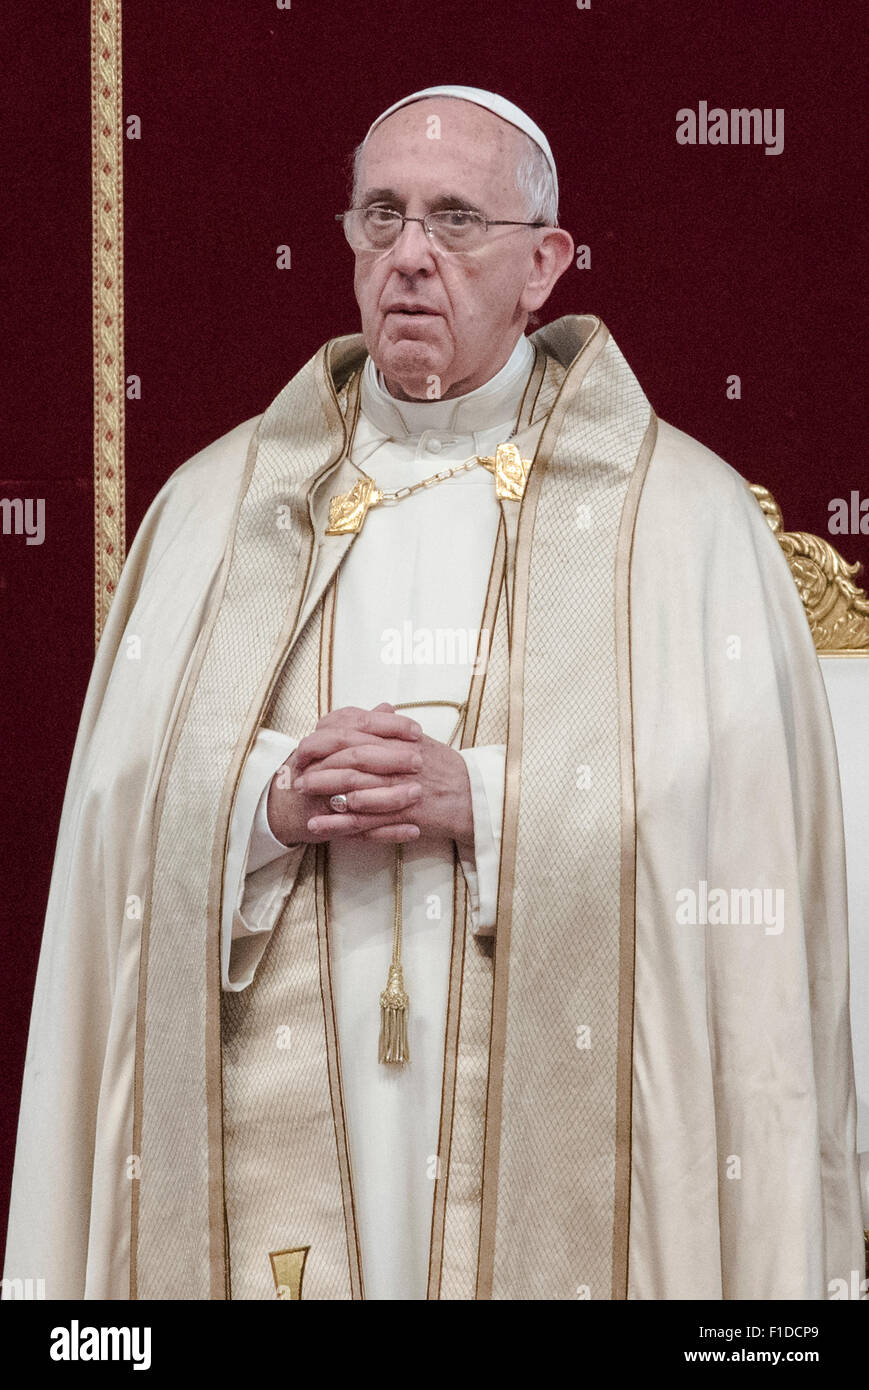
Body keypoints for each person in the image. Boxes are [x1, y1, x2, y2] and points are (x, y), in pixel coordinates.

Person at [3, 85, 864, 1301]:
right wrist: (264, 804)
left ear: (542, 264)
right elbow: (115, 830)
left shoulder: (681, 524)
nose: (409, 256)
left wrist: (489, 801)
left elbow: (743, 859)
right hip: (286, 1082)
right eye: (380, 217)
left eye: (455, 220)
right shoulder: (215, 510)